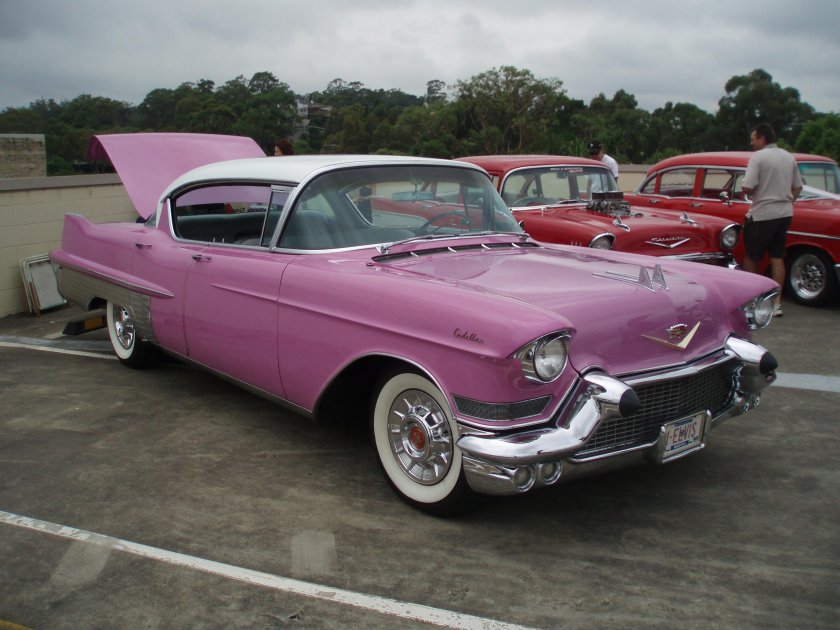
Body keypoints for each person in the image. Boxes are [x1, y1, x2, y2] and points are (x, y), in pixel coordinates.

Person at [741, 122, 802, 317]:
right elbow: (798, 186)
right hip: (784, 212)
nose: (752, 143)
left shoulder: (758, 157)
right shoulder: (788, 156)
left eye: (753, 139)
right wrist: (787, 200)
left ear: (762, 138)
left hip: (762, 213)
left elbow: (747, 187)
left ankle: (753, 299)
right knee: (777, 257)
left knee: (751, 256)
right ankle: (776, 302)